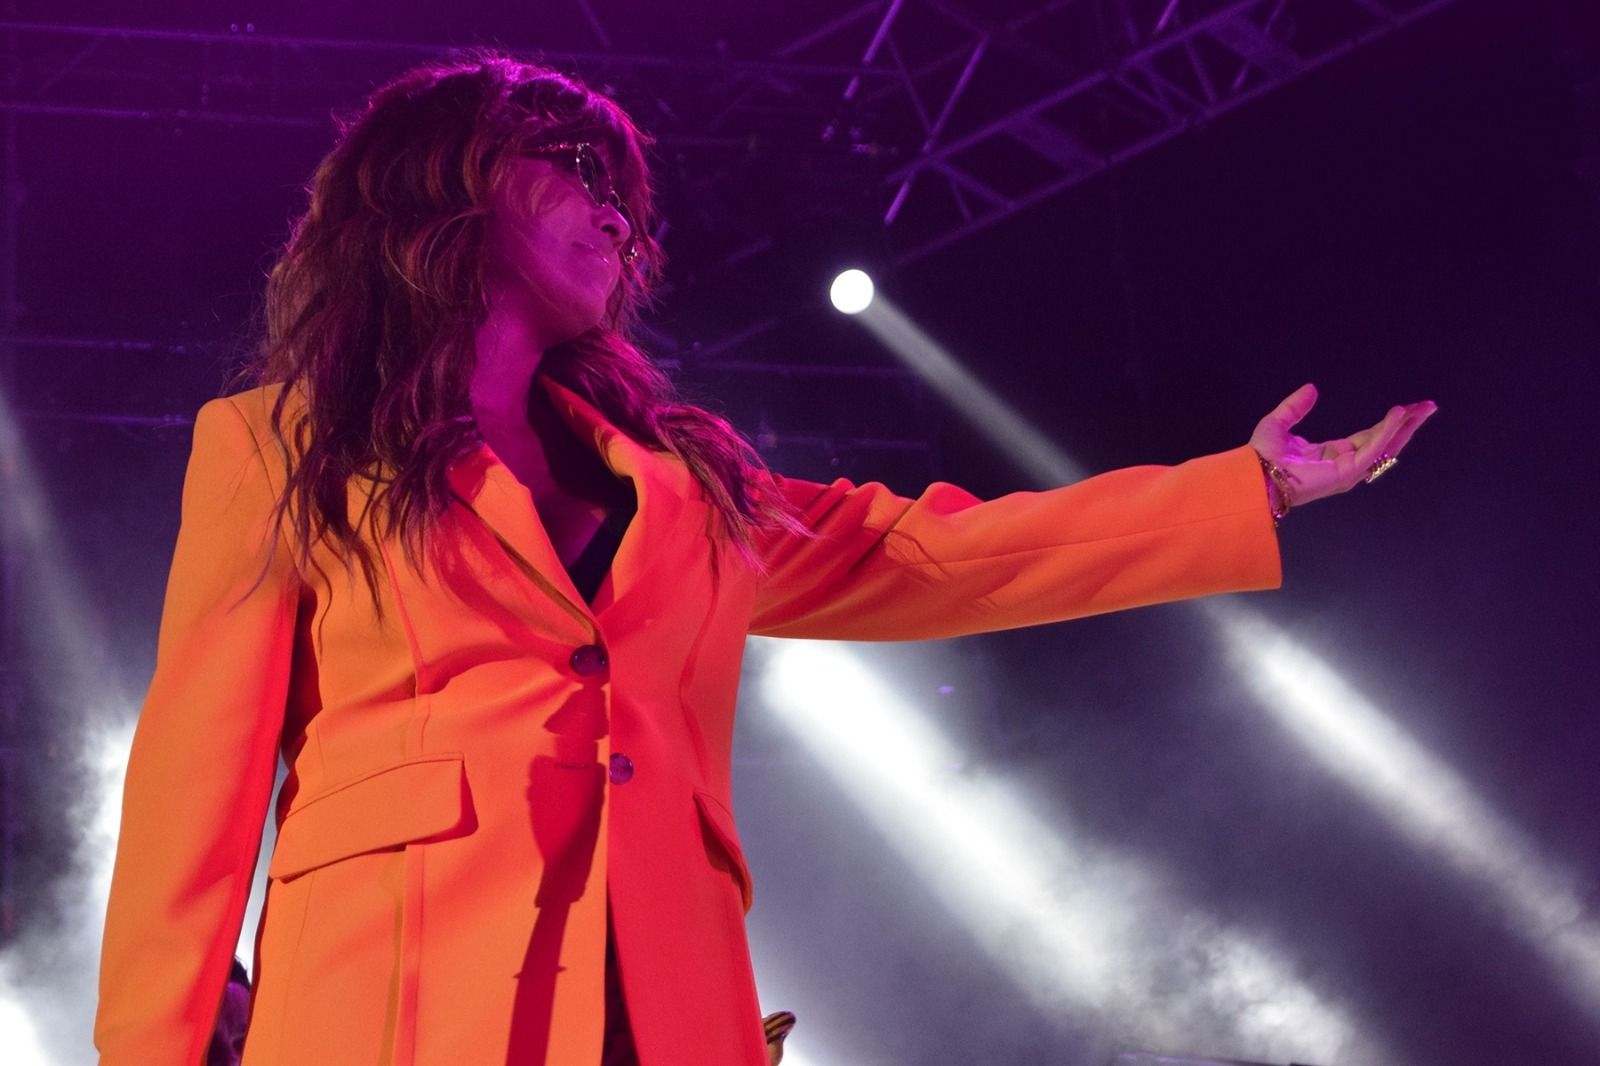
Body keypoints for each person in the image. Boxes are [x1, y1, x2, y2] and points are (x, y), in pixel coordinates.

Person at [93, 51, 1435, 1066]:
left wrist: (1246, 490)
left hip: (661, 1014)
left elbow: (936, 553)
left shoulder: (680, 487)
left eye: (628, 188)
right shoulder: (279, 447)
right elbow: (189, 803)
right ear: (435, 184)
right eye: (568, 158)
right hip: (387, 1013)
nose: (618, 206)